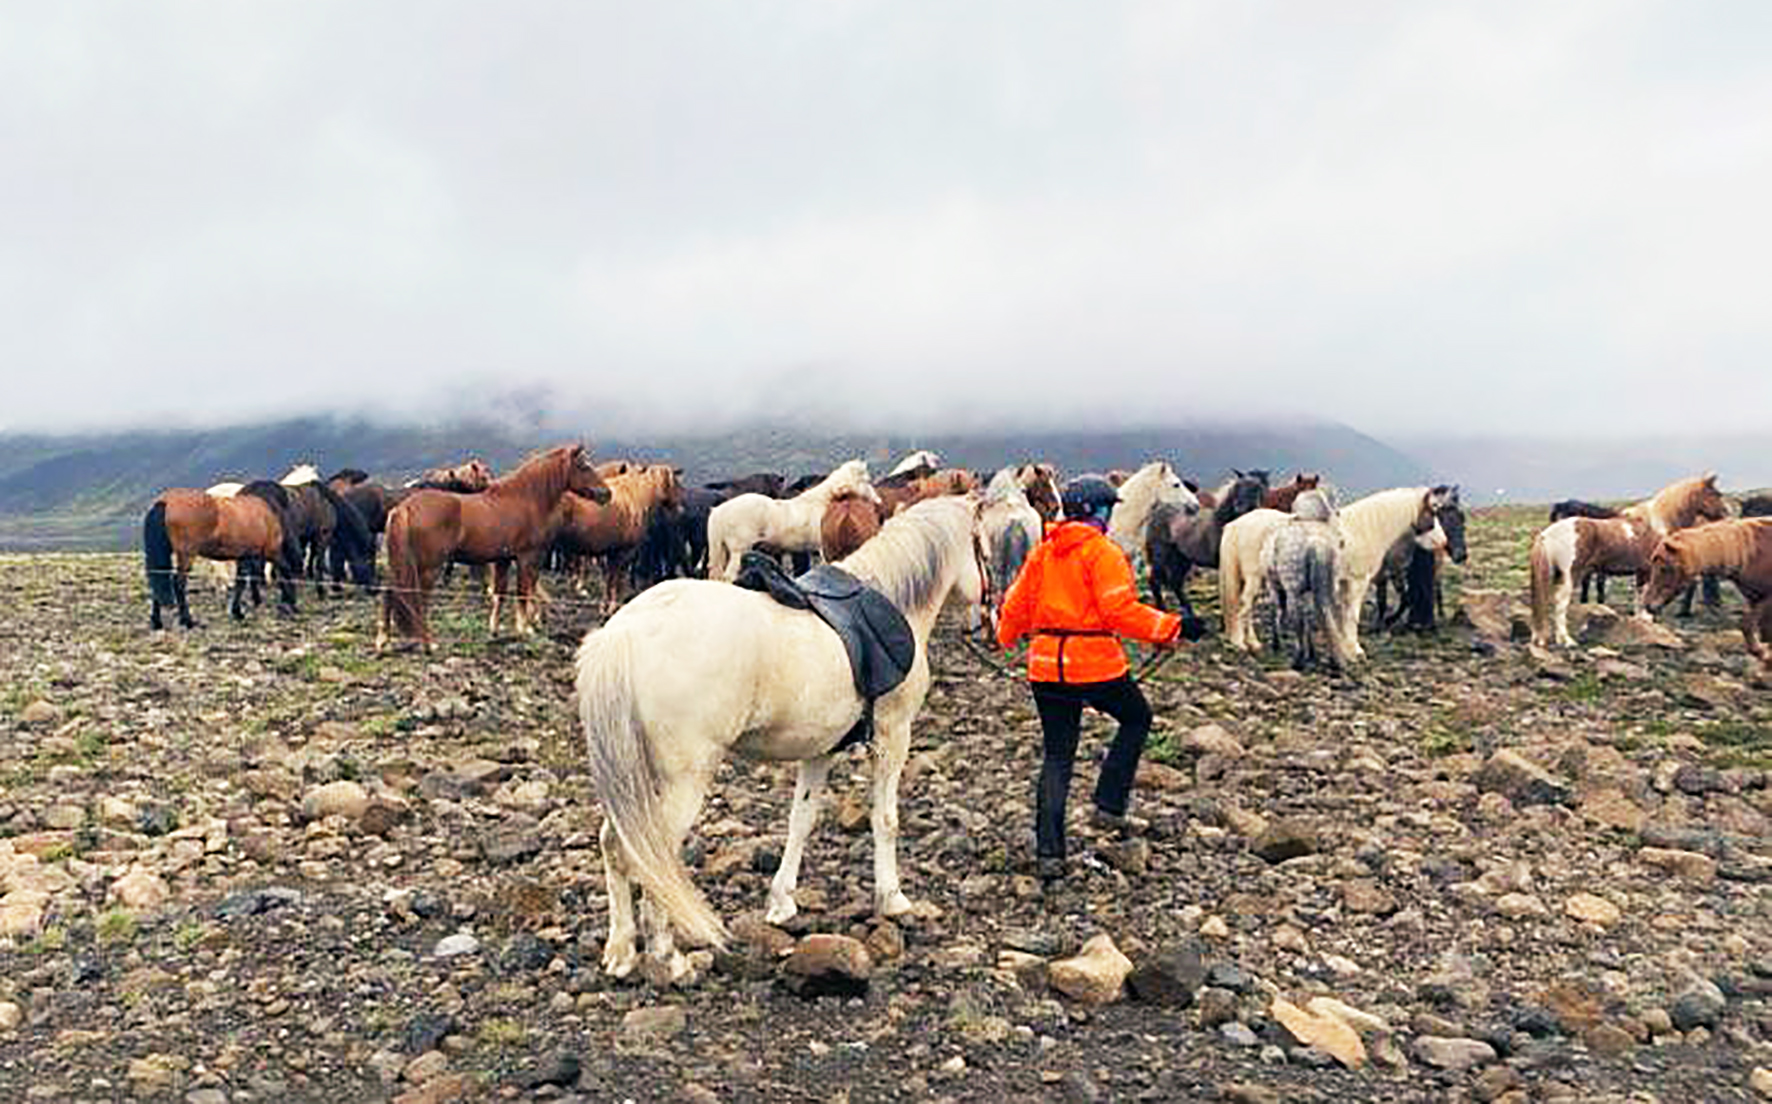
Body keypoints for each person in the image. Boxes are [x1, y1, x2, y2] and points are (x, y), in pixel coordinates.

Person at [995, 474, 1184, 884]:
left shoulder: (1044, 553)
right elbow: (1120, 611)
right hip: (1095, 665)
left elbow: (1016, 606)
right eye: (1108, 509)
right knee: (1137, 718)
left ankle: (1049, 853)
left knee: (1057, 755)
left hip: (1045, 667)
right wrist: (1169, 629)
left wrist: (1003, 640)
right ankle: (1109, 803)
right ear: (1097, 512)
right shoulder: (1103, 553)